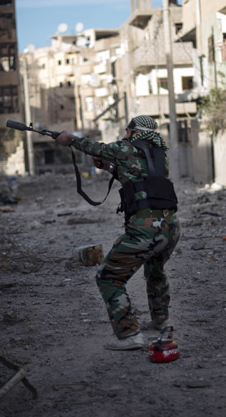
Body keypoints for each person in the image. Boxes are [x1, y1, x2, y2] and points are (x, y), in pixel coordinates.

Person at [56, 116, 181, 350]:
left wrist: (69, 139)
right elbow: (139, 176)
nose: (125, 134)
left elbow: (96, 148)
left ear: (135, 132)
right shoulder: (157, 155)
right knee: (155, 271)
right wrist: (110, 167)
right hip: (170, 226)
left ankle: (130, 335)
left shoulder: (126, 148)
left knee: (109, 278)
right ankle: (161, 320)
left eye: (128, 131)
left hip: (145, 228)